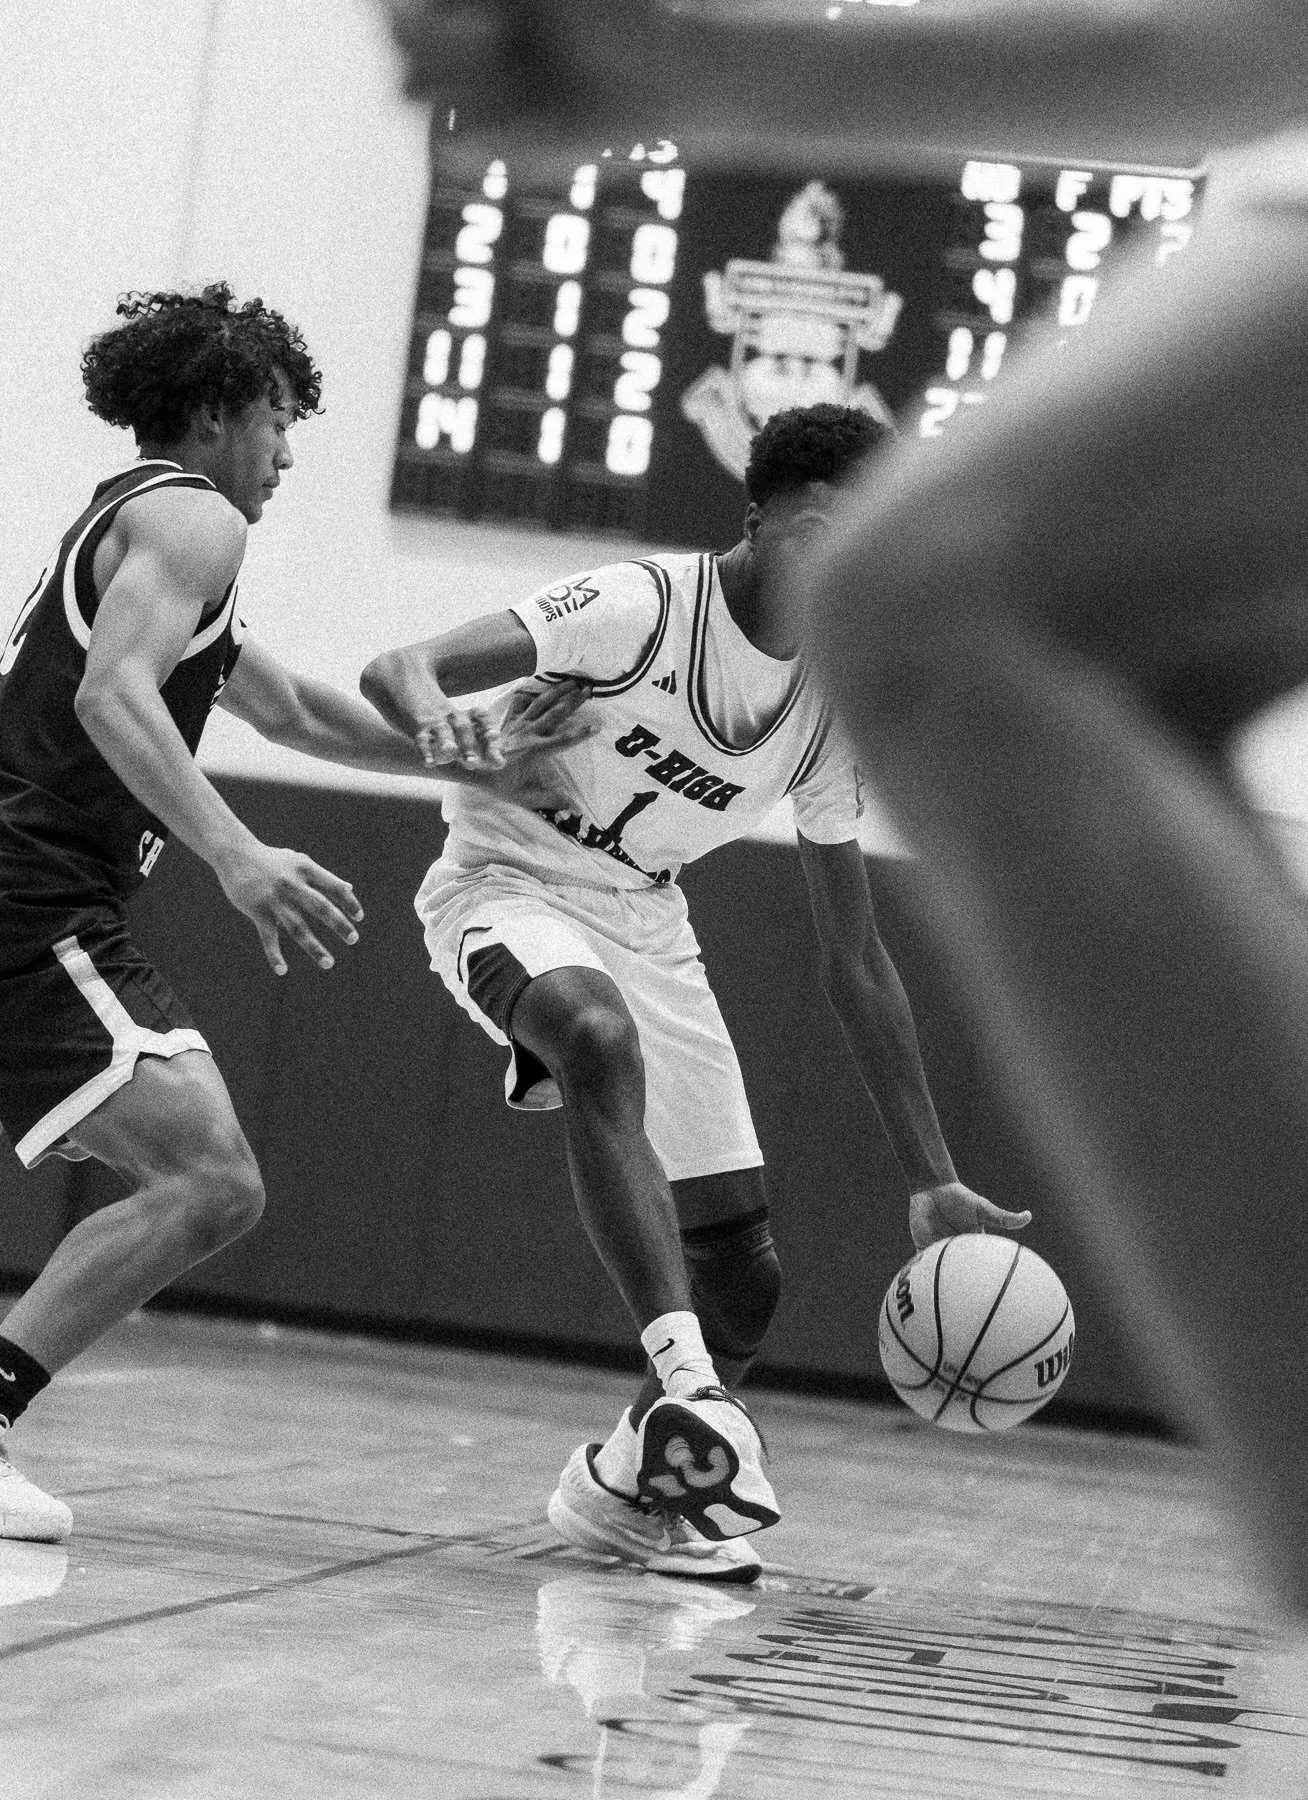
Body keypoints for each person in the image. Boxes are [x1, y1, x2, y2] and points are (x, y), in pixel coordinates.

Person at [387, 0, 1308, 1790]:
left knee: (943, 606)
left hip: (651, 911)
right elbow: (1297, 44)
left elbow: (1296, 39)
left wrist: (682, 67)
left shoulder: (809, 715)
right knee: (1036, 647)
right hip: (529, 882)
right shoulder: (643, 607)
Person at [360, 402, 1028, 1583]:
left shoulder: (831, 705)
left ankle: (625, 1487)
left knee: (748, 1280)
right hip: (505, 878)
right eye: (819, 527)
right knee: (594, 1041)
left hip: (647, 915)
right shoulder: (638, 607)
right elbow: (395, 666)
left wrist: (930, 1175)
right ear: (761, 516)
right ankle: (695, 1401)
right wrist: (444, 728)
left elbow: (855, 959)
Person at [0, 283, 584, 1546]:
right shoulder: (194, 517)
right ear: (215, 413)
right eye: (276, 417)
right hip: (28, 884)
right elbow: (111, 699)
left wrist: (466, 763)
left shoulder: (150, 533)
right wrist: (236, 851)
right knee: (207, 1178)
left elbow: (303, 716)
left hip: (34, 881)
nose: (287, 450)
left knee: (201, 1178)